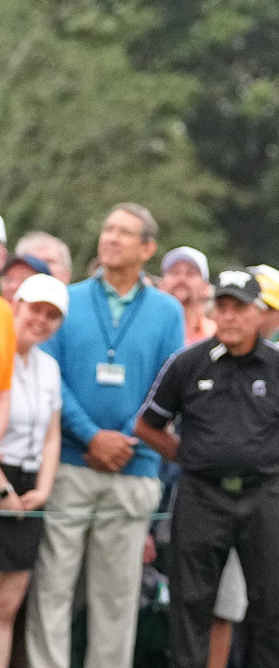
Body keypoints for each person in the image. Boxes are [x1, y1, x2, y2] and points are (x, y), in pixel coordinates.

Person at [134, 269, 279, 667]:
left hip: (263, 496)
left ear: (258, 313)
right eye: (222, 307)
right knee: (191, 603)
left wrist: (267, 460)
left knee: (270, 604)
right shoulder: (187, 363)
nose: (230, 316)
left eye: (239, 307)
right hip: (202, 496)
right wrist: (186, 456)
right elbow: (147, 426)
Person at [26, 203, 184, 668]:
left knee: (116, 600)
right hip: (72, 466)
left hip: (133, 470)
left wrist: (126, 439)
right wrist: (93, 436)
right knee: (52, 590)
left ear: (147, 248)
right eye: (107, 228)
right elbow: (50, 376)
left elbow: (168, 383)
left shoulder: (167, 311)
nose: (110, 237)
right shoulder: (66, 299)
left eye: (123, 232)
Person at [0, 275, 67, 668]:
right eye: (35, 309)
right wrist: (2, 489)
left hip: (28, 487)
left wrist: (42, 489)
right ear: (17, 305)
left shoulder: (49, 368)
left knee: (7, 609)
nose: (41, 320)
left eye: (51, 315)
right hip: (2, 480)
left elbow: (51, 437)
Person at [159, 246, 214, 345]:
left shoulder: (215, 334)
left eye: (190, 273)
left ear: (205, 288)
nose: (182, 279)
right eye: (174, 272)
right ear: (161, 285)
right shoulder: (145, 329)